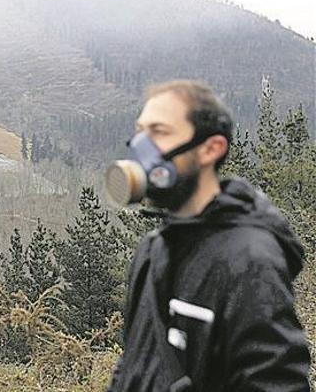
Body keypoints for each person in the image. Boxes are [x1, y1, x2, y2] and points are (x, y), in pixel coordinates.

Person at [105, 80, 311, 391]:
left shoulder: (248, 259)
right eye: (141, 131)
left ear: (210, 148)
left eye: (159, 132)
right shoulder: (153, 249)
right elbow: (133, 362)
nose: (140, 147)